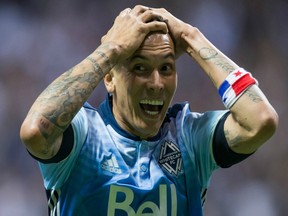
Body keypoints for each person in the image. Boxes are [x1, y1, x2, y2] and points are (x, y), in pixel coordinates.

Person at [20, 5, 278, 216]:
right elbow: (36, 130)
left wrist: (192, 38)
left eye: (166, 68)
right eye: (140, 68)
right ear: (109, 78)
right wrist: (110, 50)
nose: (156, 84)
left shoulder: (190, 139)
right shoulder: (83, 135)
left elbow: (260, 121)